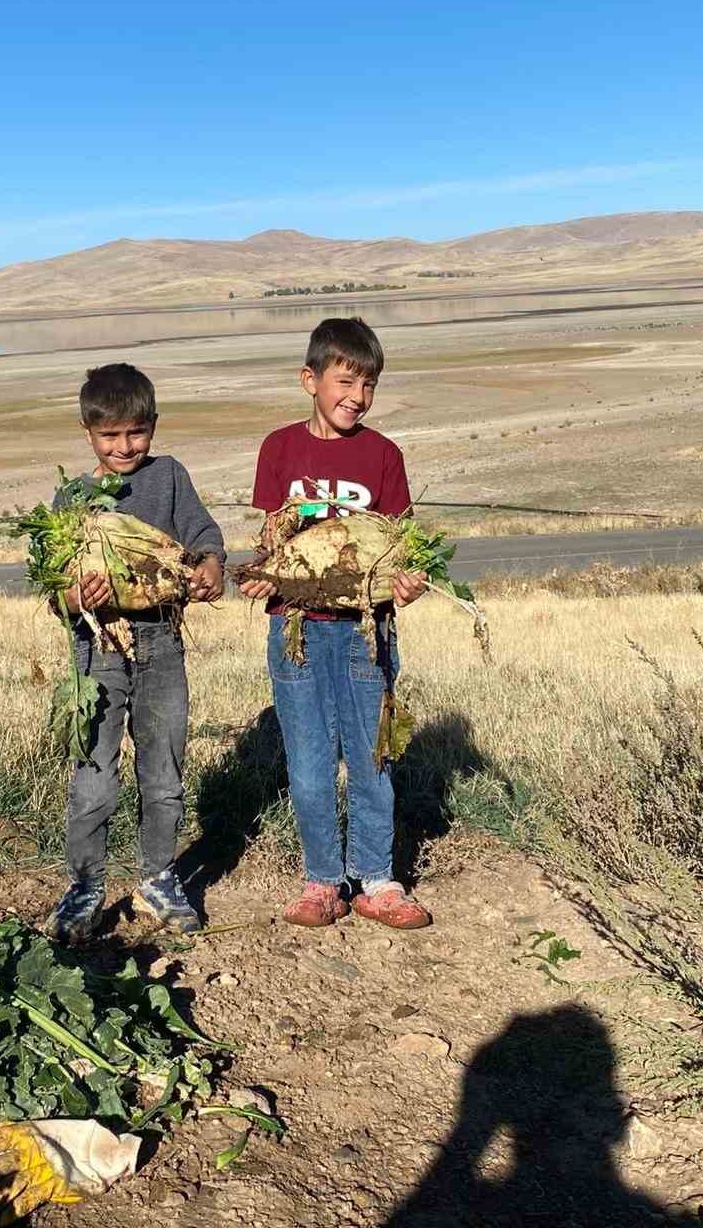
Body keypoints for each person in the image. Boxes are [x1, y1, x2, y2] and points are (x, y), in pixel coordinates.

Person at [239, 317, 431, 929]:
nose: (357, 396)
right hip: (296, 630)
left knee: (373, 755)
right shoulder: (279, 449)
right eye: (345, 381)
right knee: (310, 759)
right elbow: (271, 539)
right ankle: (323, 880)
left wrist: (409, 584)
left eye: (369, 384)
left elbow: (404, 550)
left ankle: (377, 880)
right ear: (309, 380)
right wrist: (263, 573)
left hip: (364, 634)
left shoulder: (383, 455)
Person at [47, 363, 224, 942]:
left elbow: (203, 536)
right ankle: (85, 884)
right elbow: (56, 588)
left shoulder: (170, 477)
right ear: (87, 432)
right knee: (94, 772)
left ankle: (158, 876)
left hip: (163, 642)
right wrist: (75, 596)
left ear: (153, 426)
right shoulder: (72, 498)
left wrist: (209, 568)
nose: (125, 447)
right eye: (110, 436)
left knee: (164, 768)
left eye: (136, 433)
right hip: (98, 649)